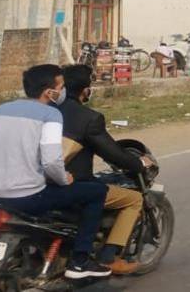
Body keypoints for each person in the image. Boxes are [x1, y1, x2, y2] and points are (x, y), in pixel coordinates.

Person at [0, 65, 111, 280]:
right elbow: (52, 161)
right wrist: (64, 179)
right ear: (49, 92)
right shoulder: (50, 114)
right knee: (96, 191)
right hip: (27, 198)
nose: (63, 91)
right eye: (61, 87)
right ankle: (80, 262)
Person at [58, 65, 152, 274]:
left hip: (37, 182)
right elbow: (113, 154)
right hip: (72, 185)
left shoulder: (47, 111)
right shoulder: (89, 118)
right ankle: (109, 257)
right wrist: (139, 163)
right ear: (86, 90)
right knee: (133, 199)